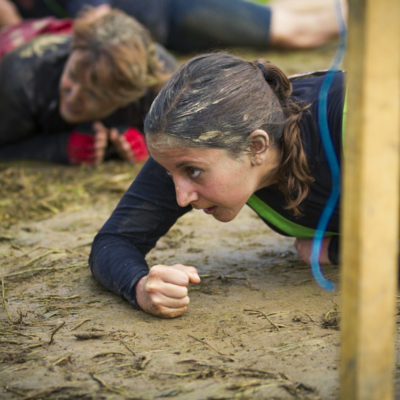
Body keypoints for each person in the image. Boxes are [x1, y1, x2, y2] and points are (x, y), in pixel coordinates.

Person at [89, 52, 345, 318]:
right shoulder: (184, 148)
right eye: (169, 173)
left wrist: (341, 250)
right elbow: (114, 241)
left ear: (256, 147)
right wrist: (140, 286)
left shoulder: (356, 126)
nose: (181, 198)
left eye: (194, 172)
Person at [0, 7, 178, 164]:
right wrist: (60, 148)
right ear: (72, 51)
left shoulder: (161, 86)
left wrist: (148, 144)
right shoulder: (23, 80)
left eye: (93, 95)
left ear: (126, 99)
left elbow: (184, 142)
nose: (74, 96)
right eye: (72, 76)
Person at [1, 0, 346, 52]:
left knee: (288, 30)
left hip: (175, 13)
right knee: (280, 15)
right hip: (165, 31)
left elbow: (100, 25)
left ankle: (372, 15)